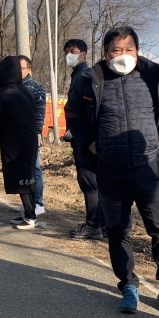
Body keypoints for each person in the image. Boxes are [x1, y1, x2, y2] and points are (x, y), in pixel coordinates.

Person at [64, 26, 159, 315]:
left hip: (148, 168)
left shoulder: (153, 74)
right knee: (118, 231)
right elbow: (73, 113)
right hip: (110, 169)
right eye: (116, 50)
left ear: (137, 50)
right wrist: (89, 143)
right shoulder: (92, 78)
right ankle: (128, 285)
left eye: (129, 49)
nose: (123, 55)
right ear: (106, 52)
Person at [0, 56, 40, 229]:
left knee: (20, 177)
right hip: (30, 139)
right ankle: (28, 212)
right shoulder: (25, 90)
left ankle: (31, 217)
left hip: (14, 141)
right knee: (28, 176)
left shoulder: (2, 94)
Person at [63, 38, 104, 240]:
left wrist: (83, 136)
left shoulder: (84, 76)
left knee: (89, 182)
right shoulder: (79, 75)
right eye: (66, 52)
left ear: (83, 54)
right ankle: (101, 224)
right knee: (96, 182)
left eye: (72, 51)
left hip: (87, 141)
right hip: (87, 138)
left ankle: (94, 225)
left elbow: (81, 111)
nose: (68, 56)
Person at [18, 55, 47, 218]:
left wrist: (37, 133)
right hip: (18, 134)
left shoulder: (35, 87)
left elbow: (40, 112)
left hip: (31, 134)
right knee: (22, 169)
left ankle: (38, 203)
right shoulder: (15, 86)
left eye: (21, 68)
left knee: (34, 168)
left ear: (28, 69)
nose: (17, 71)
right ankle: (27, 202)